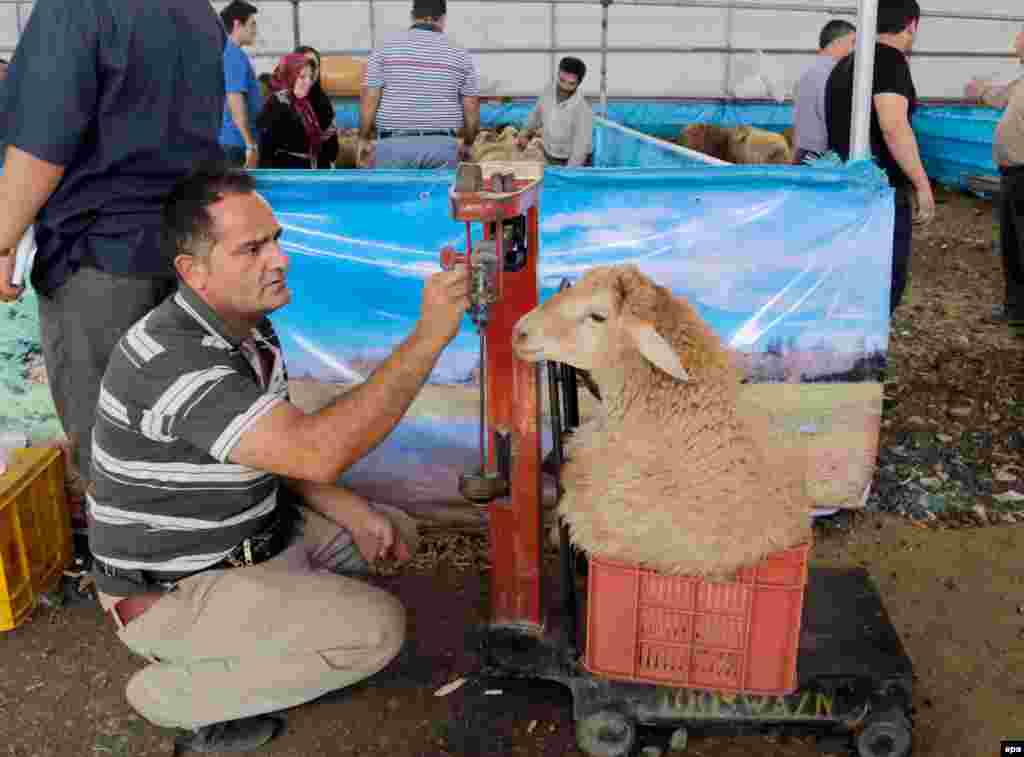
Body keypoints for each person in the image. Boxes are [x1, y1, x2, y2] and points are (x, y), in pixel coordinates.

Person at [89, 161, 469, 752]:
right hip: (173, 588)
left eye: (276, 241)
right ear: (195, 272)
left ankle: (271, 608)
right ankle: (168, 694)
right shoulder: (171, 357)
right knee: (376, 631)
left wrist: (356, 515)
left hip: (250, 542)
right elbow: (312, 452)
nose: (279, 259)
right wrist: (429, 337)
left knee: (394, 532)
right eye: (251, 249)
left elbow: (282, 456)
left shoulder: (249, 330)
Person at [0, 0, 226, 514]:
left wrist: (4, 239)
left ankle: (140, 578)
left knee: (112, 439)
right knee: (187, 419)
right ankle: (205, 561)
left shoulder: (74, 9)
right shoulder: (195, 11)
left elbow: (41, 147)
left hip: (101, 255)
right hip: (189, 253)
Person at [825, 0, 934, 316]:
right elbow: (894, 126)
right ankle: (862, 353)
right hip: (879, 190)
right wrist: (922, 185)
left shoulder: (847, 64)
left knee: (852, 276)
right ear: (911, 25)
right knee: (884, 281)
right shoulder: (890, 62)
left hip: (844, 185)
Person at [358, 0, 480, 169]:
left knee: (394, 196)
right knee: (440, 196)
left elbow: (370, 99)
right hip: (443, 148)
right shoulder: (460, 54)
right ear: (443, 19)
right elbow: (472, 107)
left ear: (412, 16)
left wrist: (363, 138)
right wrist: (468, 143)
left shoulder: (384, 48)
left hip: (393, 146)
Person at [966, 30, 1024, 331]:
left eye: (1021, 37)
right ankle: (1016, 307)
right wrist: (981, 90)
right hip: (1013, 174)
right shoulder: (1021, 81)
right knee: (1013, 244)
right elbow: (1002, 94)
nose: (1016, 42)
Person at [256, 54, 338, 169]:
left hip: (310, 171)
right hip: (288, 175)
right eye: (302, 77)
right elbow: (265, 149)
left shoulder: (306, 103)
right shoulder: (276, 104)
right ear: (289, 76)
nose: (308, 82)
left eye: (310, 77)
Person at [792, 19, 856, 164]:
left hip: (804, 153)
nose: (855, 49)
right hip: (820, 157)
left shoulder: (809, 72)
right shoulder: (832, 75)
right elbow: (834, 119)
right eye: (853, 42)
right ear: (837, 42)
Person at [516, 57, 594, 167]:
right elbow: (537, 114)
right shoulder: (548, 90)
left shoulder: (583, 110)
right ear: (558, 74)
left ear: (578, 83)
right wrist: (525, 132)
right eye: (562, 80)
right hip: (551, 153)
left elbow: (580, 150)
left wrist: (567, 174)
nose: (564, 87)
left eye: (571, 83)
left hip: (574, 160)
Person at [220, 1, 263, 169]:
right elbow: (234, 99)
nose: (255, 30)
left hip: (231, 142)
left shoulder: (226, 52)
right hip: (236, 144)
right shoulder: (234, 55)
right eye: (252, 24)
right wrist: (249, 144)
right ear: (237, 24)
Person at [295, 45, 342, 168]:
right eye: (306, 63)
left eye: (315, 65)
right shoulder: (281, 99)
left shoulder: (323, 102)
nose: (311, 69)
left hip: (317, 172)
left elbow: (332, 148)